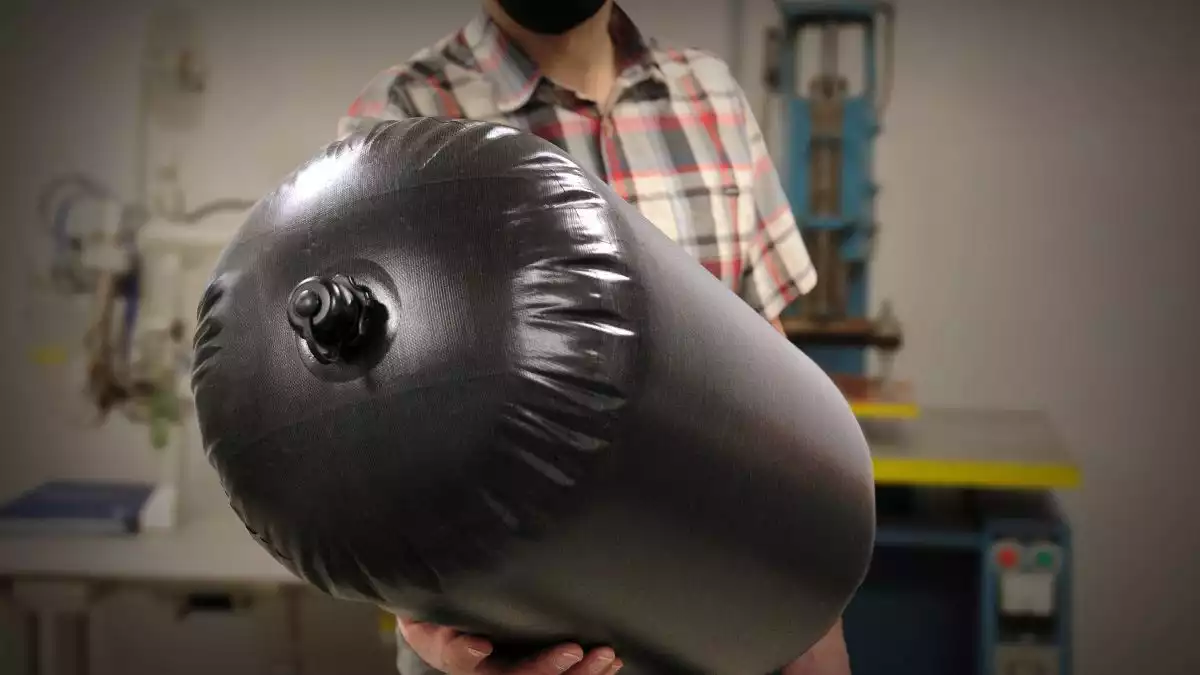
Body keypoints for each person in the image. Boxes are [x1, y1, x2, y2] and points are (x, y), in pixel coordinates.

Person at [337, 1, 851, 674]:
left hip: (722, 612)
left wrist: (814, 620)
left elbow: (774, 374)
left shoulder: (709, 94)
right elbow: (364, 432)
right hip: (516, 637)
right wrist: (422, 619)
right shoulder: (404, 115)